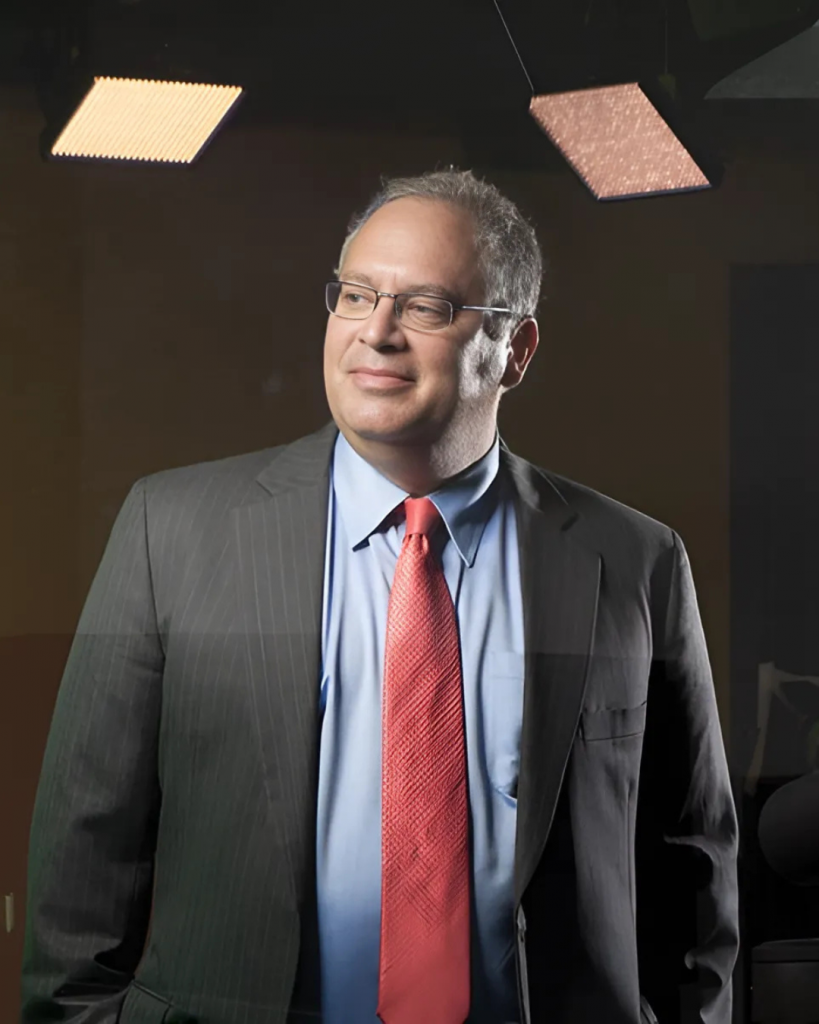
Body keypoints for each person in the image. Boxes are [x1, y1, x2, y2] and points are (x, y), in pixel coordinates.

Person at [20, 168, 739, 1024]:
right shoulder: (169, 533)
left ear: (514, 350)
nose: (377, 333)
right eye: (356, 295)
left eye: (427, 306)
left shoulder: (633, 561)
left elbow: (689, 872)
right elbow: (81, 861)